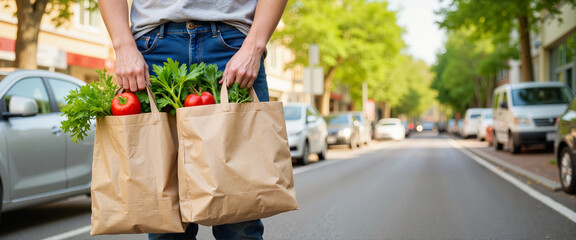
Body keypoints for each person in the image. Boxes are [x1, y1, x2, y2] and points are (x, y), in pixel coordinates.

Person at [97, 0, 287, 239]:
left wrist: (255, 47)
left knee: (241, 222)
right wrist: (123, 46)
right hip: (152, 50)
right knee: (164, 221)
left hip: (234, 47)